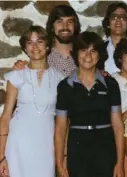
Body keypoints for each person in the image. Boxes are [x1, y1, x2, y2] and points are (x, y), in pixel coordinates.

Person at [54, 31, 124, 177]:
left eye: (93, 51)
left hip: (106, 149)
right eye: (83, 50)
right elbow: (60, 128)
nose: (88, 55)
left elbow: (118, 126)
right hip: (77, 149)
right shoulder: (65, 86)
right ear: (76, 54)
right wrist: (60, 163)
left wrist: (120, 163)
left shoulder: (110, 84)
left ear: (99, 56)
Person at [0, 26, 64, 177]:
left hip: (46, 144)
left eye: (40, 41)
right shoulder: (16, 76)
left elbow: (63, 122)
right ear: (25, 48)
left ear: (47, 46)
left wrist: (62, 157)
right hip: (18, 144)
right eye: (30, 42)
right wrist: (1, 156)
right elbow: (5, 117)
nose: (35, 47)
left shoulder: (60, 79)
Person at [14, 5, 81, 77]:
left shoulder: (85, 55)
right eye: (59, 22)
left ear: (75, 26)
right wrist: (20, 67)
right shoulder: (42, 55)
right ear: (52, 27)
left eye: (69, 22)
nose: (65, 26)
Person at [102, 2, 127, 74]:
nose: (118, 20)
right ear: (108, 24)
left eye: (122, 17)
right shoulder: (99, 49)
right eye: (114, 17)